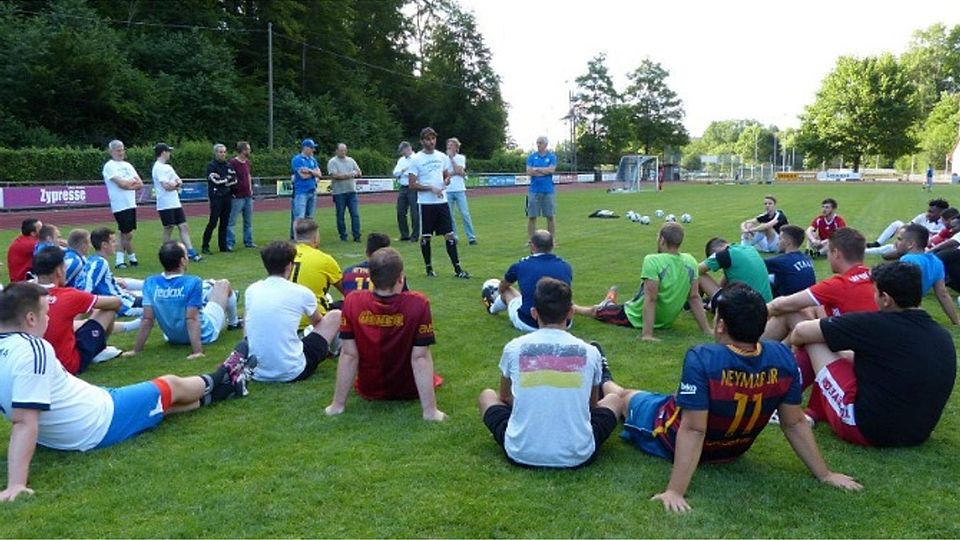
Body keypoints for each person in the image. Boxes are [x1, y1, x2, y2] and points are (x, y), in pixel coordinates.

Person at [604, 282, 861, 513]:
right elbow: (794, 422)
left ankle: (603, 379)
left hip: (669, 432)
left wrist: (675, 490)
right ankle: (605, 381)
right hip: (732, 449)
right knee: (665, 397)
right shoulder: (781, 357)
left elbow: (693, 429)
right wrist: (824, 474)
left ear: (720, 325)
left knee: (625, 398)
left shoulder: (702, 358)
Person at [0, 282, 255, 502]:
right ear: (31, 319)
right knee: (169, 384)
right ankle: (224, 373)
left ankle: (227, 389)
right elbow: (24, 420)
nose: (49, 319)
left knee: (159, 406)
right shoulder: (33, 348)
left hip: (81, 411)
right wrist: (16, 484)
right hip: (96, 421)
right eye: (46, 314)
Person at [789, 262, 955, 447]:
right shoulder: (942, 335)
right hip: (917, 433)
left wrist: (797, 348)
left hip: (866, 429)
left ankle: (783, 392)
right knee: (839, 351)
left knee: (816, 340)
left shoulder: (873, 324)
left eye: (875, 292)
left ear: (886, 299)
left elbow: (801, 332)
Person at [478, 277, 623, 468]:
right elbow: (591, 405)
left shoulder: (514, 347)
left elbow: (504, 396)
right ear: (570, 312)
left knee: (487, 396)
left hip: (520, 450)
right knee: (614, 400)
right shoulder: (590, 352)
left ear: (534, 312)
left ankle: (533, 425)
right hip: (577, 453)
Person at [325, 248, 446, 420]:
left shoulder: (352, 301)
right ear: (400, 278)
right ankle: (429, 411)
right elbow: (420, 357)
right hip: (409, 389)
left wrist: (337, 405)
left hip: (369, 388)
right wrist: (430, 411)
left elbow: (349, 354)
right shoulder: (418, 303)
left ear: (371, 278)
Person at [575, 223, 711, 340]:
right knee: (609, 307)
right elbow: (694, 297)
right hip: (665, 322)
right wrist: (706, 330)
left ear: (662, 240)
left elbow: (651, 298)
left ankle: (575, 308)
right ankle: (609, 301)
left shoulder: (653, 260)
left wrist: (647, 334)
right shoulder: (690, 261)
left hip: (633, 317)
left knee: (596, 311)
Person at [244, 241, 342, 383]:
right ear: (290, 266)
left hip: (256, 371)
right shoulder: (301, 292)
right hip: (293, 371)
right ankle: (334, 351)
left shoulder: (252, 289)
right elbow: (318, 323)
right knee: (335, 315)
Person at [126, 242, 240, 360]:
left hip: (173, 337)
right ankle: (234, 323)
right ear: (182, 261)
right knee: (223, 284)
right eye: (186, 254)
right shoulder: (193, 282)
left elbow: (147, 319)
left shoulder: (150, 282)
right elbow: (192, 318)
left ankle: (230, 320)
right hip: (205, 334)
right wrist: (197, 351)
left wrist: (136, 350)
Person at [762, 227, 877, 341]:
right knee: (811, 307)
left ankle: (751, 348)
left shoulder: (838, 285)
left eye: (828, 252)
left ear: (836, 253)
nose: (827, 257)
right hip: (869, 339)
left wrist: (756, 313)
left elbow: (779, 305)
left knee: (789, 313)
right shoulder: (874, 275)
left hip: (849, 349)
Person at [33, 246, 123, 374]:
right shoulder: (69, 295)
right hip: (67, 365)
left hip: (33, 361)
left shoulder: (21, 292)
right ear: (59, 270)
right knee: (107, 310)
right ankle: (99, 350)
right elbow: (116, 302)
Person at [408, 127, 470, 279]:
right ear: (422, 141)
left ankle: (458, 269)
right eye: (428, 139)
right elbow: (412, 184)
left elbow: (446, 174)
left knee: (449, 235)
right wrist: (430, 188)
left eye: (433, 139)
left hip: (441, 202)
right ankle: (429, 268)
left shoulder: (441, 156)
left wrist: (447, 180)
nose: (431, 142)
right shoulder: (416, 159)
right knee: (426, 236)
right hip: (425, 204)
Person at [488, 230, 573, 333]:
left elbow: (502, 287)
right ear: (553, 245)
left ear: (532, 246)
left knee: (506, 291)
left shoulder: (521, 265)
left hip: (529, 323)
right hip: (563, 323)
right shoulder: (566, 266)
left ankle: (492, 309)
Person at [893, 224, 959, 324]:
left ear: (910, 244)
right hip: (913, 307)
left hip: (899, 307)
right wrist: (956, 321)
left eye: (899, 239)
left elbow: (900, 290)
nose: (896, 243)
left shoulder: (907, 260)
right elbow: (943, 294)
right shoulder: (936, 261)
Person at [79, 227, 143, 319]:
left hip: (125, 299)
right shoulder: (100, 263)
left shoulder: (92, 260)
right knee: (159, 305)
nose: (116, 244)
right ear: (104, 245)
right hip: (125, 306)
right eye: (113, 241)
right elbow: (86, 289)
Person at [152, 143, 201, 262]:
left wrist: (175, 184)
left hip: (175, 202)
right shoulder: (157, 167)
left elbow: (178, 181)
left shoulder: (168, 167)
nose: (169, 154)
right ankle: (166, 252)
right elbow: (166, 186)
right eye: (168, 151)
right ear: (163, 152)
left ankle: (190, 251)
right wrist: (175, 185)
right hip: (165, 203)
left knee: (183, 226)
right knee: (168, 227)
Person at [292, 218, 344, 324]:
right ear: (316, 237)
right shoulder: (324, 259)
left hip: (286, 320)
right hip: (313, 321)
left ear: (296, 237)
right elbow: (346, 290)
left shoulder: (284, 256)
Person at [101, 140, 143, 269]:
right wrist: (130, 184)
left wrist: (128, 184)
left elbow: (140, 184)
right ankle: (121, 260)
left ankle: (130, 258)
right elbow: (122, 184)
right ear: (111, 151)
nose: (121, 152)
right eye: (118, 150)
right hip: (120, 204)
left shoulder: (128, 165)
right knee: (126, 232)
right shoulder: (109, 166)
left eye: (122, 149)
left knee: (127, 233)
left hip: (131, 203)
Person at [865, 198, 948, 258]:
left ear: (941, 213)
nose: (928, 214)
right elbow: (908, 226)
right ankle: (876, 244)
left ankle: (863, 251)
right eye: (928, 211)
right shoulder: (923, 217)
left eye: (931, 212)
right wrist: (901, 238)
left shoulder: (947, 225)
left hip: (922, 248)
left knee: (889, 249)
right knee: (897, 224)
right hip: (913, 241)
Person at [699, 237, 773, 304]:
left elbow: (695, 270)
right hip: (766, 306)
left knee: (698, 275)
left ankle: (694, 302)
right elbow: (727, 278)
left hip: (744, 310)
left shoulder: (723, 254)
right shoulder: (749, 248)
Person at [340, 233, 410, 297]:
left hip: (354, 309)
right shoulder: (393, 274)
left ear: (367, 252)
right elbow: (404, 299)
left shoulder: (348, 272)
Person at [201, 143, 237, 254]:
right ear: (216, 153)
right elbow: (215, 181)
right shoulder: (211, 166)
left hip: (227, 196)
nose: (223, 154)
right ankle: (205, 246)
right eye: (220, 152)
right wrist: (226, 179)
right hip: (216, 197)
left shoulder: (228, 165)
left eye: (224, 152)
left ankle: (223, 246)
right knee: (213, 222)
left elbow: (234, 180)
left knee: (225, 223)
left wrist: (225, 180)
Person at [764, 225, 816, 298]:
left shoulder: (781, 261)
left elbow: (756, 266)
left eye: (780, 239)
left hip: (788, 302)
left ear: (788, 242)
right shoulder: (807, 258)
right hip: (808, 299)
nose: (777, 242)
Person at [327, 143, 363, 243]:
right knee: (340, 215)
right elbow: (335, 176)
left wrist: (354, 174)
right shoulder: (332, 162)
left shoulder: (351, 160)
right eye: (341, 150)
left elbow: (359, 172)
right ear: (336, 151)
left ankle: (357, 236)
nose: (343, 152)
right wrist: (350, 174)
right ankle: (343, 236)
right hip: (339, 193)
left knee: (355, 214)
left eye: (345, 150)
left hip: (351, 191)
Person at [525, 136, 558, 243]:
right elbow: (529, 172)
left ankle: (551, 240)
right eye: (537, 143)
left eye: (540, 143)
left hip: (548, 190)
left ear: (546, 144)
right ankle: (532, 240)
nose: (538, 145)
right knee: (532, 216)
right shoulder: (531, 157)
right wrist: (544, 170)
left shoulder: (552, 156)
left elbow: (551, 170)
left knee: (550, 216)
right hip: (534, 190)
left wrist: (538, 169)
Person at [445, 137, 477, 244]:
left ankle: (471, 237)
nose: (449, 147)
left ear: (456, 147)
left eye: (451, 145)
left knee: (465, 214)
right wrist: (456, 172)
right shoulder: (443, 159)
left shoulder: (460, 158)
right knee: (450, 215)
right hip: (448, 190)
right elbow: (447, 173)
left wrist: (451, 160)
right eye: (448, 145)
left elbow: (459, 170)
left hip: (459, 189)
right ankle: (454, 237)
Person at [290, 138, 322, 238]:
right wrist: (314, 174)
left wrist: (309, 171)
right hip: (301, 192)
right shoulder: (297, 159)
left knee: (310, 218)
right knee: (299, 217)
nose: (313, 150)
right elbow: (302, 176)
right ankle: (297, 239)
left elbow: (319, 174)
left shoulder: (313, 159)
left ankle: (308, 238)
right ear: (305, 148)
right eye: (312, 148)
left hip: (312, 191)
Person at [227, 141, 256, 250]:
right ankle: (230, 243)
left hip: (247, 195)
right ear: (243, 150)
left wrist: (250, 189)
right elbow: (230, 178)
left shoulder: (247, 162)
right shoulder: (233, 163)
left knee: (248, 221)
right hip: (237, 196)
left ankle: (248, 241)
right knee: (232, 221)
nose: (249, 151)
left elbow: (248, 175)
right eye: (248, 149)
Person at [393, 141, 419, 242]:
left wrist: (403, 172)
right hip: (403, 187)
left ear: (408, 148)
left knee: (414, 212)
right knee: (400, 211)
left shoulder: (417, 159)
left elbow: (414, 173)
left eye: (403, 151)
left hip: (413, 187)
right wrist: (403, 171)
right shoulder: (401, 160)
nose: (402, 153)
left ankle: (415, 235)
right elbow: (395, 173)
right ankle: (404, 234)